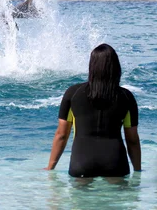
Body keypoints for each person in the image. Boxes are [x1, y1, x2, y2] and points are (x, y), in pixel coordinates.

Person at [46, 44, 141, 177]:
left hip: (81, 162)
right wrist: (138, 172)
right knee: (120, 198)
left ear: (92, 66)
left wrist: (50, 168)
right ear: (115, 67)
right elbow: (132, 140)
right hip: (115, 163)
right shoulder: (126, 97)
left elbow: (61, 135)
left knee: (80, 198)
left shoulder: (73, 93)